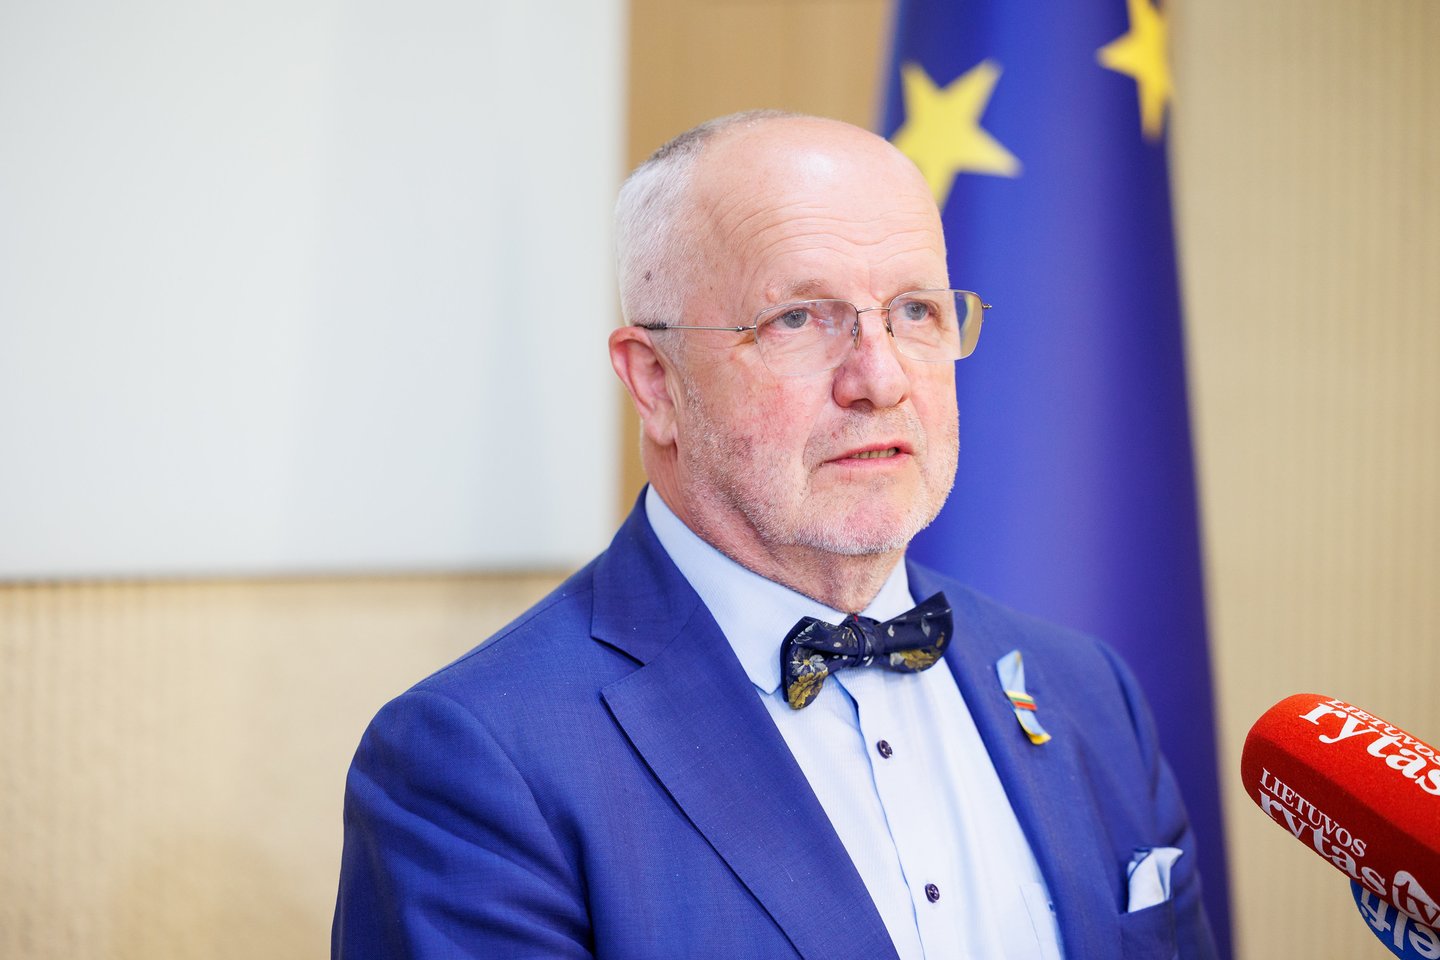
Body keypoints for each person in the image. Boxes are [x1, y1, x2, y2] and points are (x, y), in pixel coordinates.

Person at [332, 111, 1218, 960]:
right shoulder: (477, 761)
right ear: (655, 382)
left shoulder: (1089, 692)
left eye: (916, 311)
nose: (880, 380)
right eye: (798, 319)